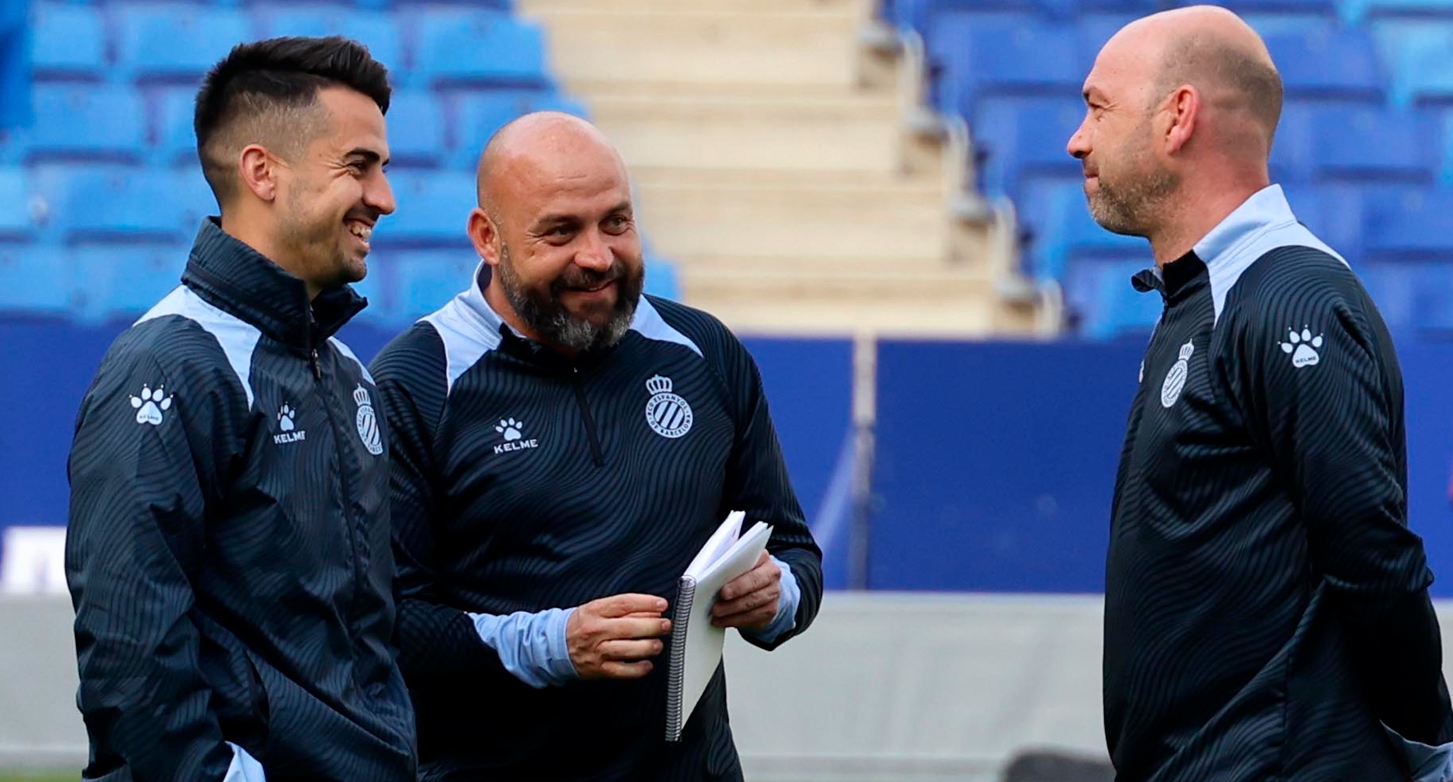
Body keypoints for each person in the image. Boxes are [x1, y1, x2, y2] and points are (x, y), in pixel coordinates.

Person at [370, 111, 824, 781]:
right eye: (560, 231)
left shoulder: (705, 353)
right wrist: (557, 644)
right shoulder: (412, 383)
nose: (597, 256)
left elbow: (795, 555)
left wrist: (773, 595)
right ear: (486, 238)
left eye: (616, 222)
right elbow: (389, 626)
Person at [1069, 6, 1453, 782]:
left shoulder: (1290, 299)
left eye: (1096, 107)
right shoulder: (1203, 300)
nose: (1077, 139)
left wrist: (1430, 747)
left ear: (1178, 116)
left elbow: (1372, 560)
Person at [65, 36, 416, 782]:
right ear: (263, 171)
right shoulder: (168, 365)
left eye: (383, 168)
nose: (384, 198)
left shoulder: (347, 371)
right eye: (359, 166)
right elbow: (130, 643)